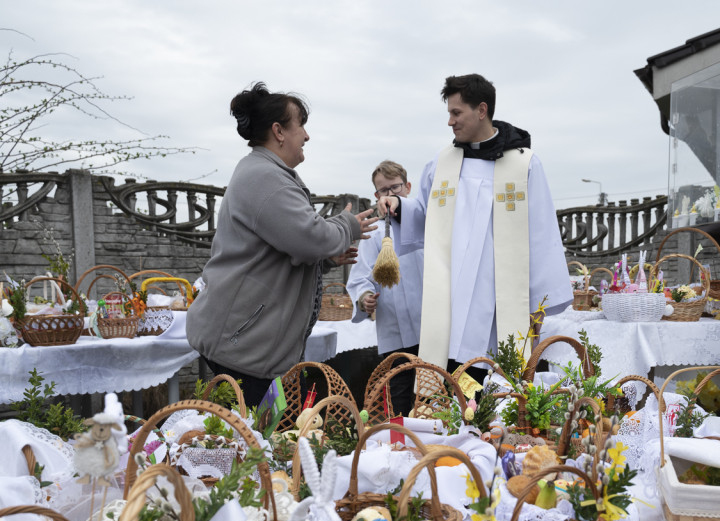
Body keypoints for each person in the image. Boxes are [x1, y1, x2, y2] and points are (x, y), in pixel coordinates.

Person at [187, 82, 376, 408]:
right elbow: (310, 237)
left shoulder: (265, 172)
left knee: (264, 439)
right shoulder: (265, 178)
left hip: (250, 344)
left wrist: (325, 258)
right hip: (242, 345)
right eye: (300, 124)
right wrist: (347, 225)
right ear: (278, 131)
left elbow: (284, 249)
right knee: (255, 443)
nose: (306, 135)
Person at [377, 74, 573, 374]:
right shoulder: (441, 164)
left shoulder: (524, 165)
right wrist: (400, 207)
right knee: (446, 379)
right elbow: (426, 216)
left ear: (481, 110)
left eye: (456, 113)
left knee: (495, 385)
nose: (450, 122)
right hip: (449, 300)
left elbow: (542, 237)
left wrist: (538, 306)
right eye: (449, 114)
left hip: (498, 305)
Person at [346, 160, 423, 415]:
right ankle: (400, 445)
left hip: (430, 330)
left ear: (408, 187)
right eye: (383, 190)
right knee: (399, 401)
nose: (389, 195)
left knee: (432, 398)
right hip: (395, 332)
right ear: (376, 195)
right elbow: (360, 278)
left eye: (395, 188)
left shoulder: (426, 226)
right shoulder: (375, 233)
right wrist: (364, 298)